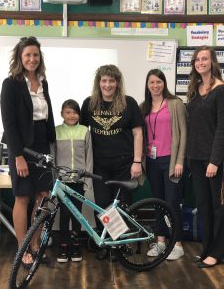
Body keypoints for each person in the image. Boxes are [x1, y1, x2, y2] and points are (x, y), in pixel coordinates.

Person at [0, 36, 56, 267]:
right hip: (22, 147)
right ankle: (23, 249)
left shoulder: (43, 81)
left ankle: (36, 246)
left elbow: (46, 116)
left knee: (42, 197)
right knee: (22, 198)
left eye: (35, 55)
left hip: (42, 143)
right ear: (20, 58)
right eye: (27, 55)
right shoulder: (11, 83)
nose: (32, 59)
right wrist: (18, 156)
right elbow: (10, 124)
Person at [80, 64, 144, 260]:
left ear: (117, 83)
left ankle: (119, 246)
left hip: (124, 163)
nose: (107, 85)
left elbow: (138, 133)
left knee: (122, 205)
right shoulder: (89, 104)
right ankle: (107, 244)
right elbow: (81, 134)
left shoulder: (128, 103)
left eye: (111, 81)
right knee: (103, 204)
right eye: (104, 80)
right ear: (98, 83)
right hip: (99, 165)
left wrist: (137, 161)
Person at [140, 69, 187, 260]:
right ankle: (160, 242)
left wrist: (179, 161)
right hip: (152, 161)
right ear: (147, 85)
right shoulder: (143, 106)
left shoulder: (175, 104)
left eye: (159, 82)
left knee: (172, 202)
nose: (155, 85)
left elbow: (184, 133)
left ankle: (177, 244)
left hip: (170, 160)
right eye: (151, 82)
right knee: (158, 203)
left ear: (164, 83)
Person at [187, 45, 224, 268]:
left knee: (217, 207)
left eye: (204, 59)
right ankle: (206, 248)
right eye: (197, 60)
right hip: (196, 159)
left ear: (212, 62)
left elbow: (221, 129)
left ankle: (217, 252)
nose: (200, 62)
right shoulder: (195, 89)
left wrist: (214, 160)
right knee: (203, 205)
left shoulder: (220, 90)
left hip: (214, 161)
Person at [52, 99, 93, 263]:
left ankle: (75, 245)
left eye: (75, 112)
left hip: (79, 180)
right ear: (62, 113)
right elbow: (53, 157)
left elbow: (89, 157)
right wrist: (54, 180)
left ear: (79, 114)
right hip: (62, 182)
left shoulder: (85, 131)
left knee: (77, 214)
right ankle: (63, 245)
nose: (71, 115)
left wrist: (87, 180)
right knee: (64, 214)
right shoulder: (55, 131)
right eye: (68, 112)